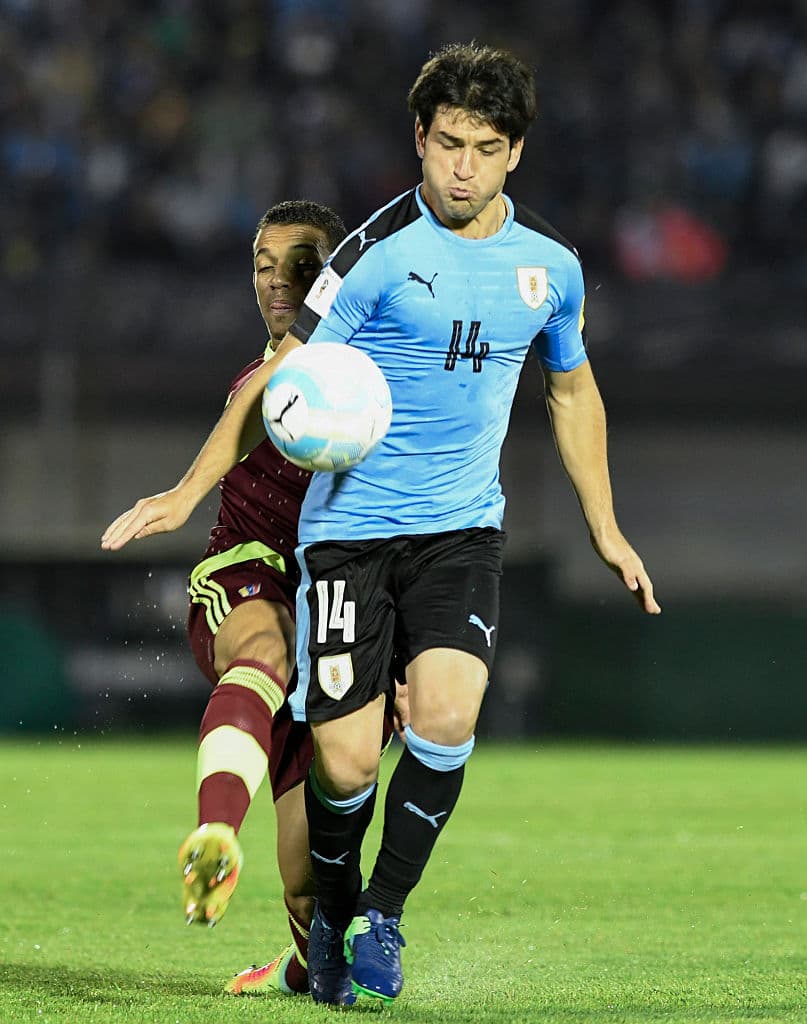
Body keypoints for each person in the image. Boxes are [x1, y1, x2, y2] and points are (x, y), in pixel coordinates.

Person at [101, 42, 661, 1007]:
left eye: (484, 149)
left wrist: (605, 528)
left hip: (459, 534)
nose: (460, 167)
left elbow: (571, 391)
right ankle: (326, 922)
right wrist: (189, 492)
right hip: (350, 537)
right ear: (419, 136)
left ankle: (381, 916)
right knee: (348, 757)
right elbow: (282, 374)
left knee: (447, 716)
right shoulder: (368, 255)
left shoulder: (550, 269)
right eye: (445, 143)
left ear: (514, 153)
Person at [103, 200, 357, 998]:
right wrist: (183, 497)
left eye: (301, 264)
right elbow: (262, 392)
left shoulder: (370, 364)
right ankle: (214, 827)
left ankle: (299, 963)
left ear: (337, 273)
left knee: (309, 881)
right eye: (261, 263)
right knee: (262, 650)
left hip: (341, 597)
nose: (277, 281)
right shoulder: (273, 371)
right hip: (249, 571)